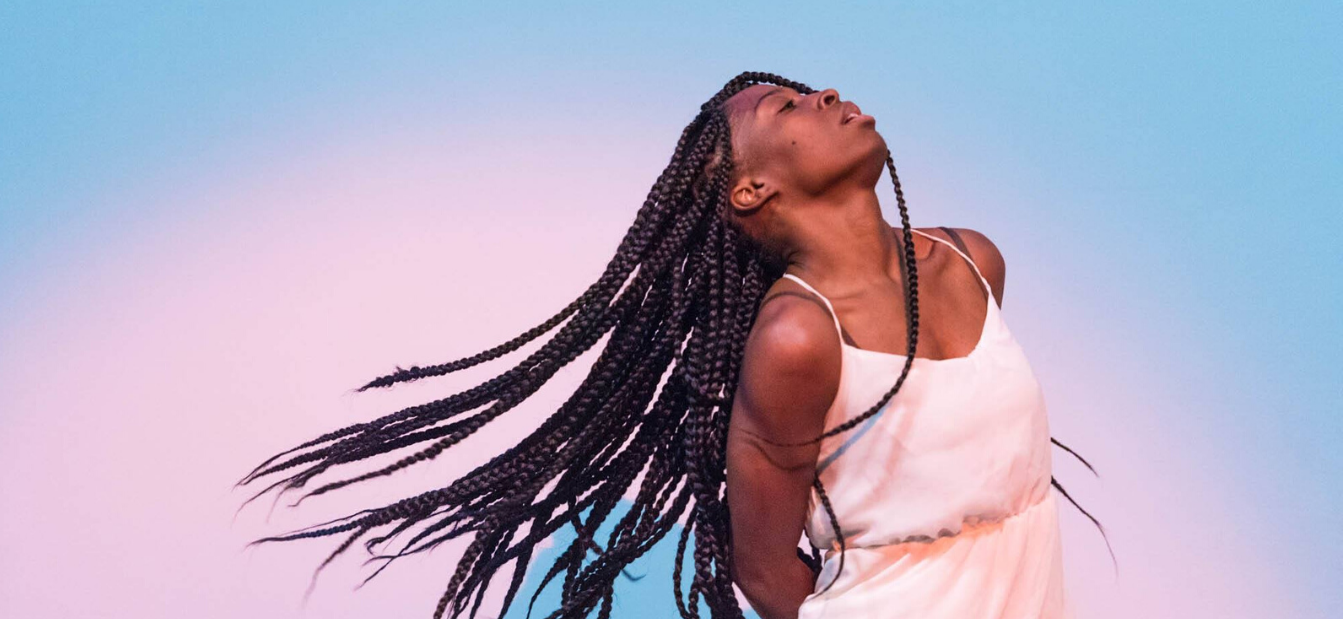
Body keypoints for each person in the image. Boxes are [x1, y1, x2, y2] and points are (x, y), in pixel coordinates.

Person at [234, 71, 1102, 619]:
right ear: (751, 189)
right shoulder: (799, 340)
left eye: (811, 90)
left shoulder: (971, 261)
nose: (825, 95)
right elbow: (765, 571)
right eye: (787, 106)